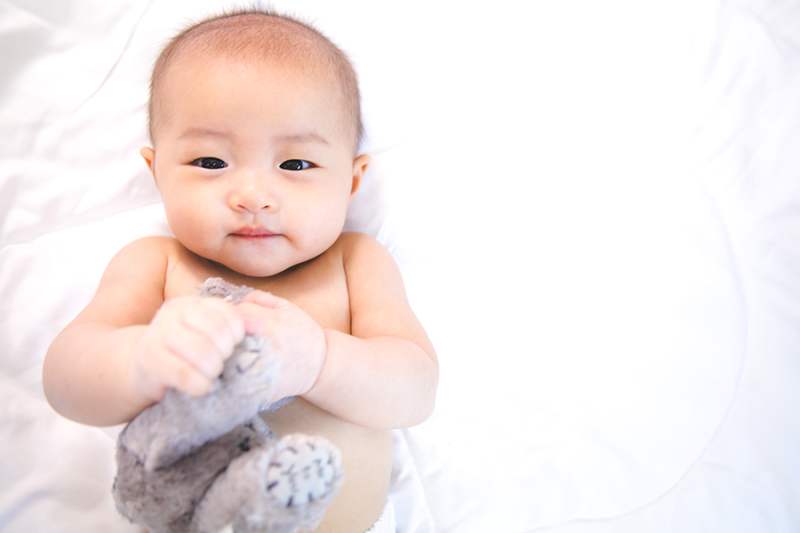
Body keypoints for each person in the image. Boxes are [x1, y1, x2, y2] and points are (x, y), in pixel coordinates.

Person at [42, 7, 438, 533]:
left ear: (351, 180)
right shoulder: (156, 263)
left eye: (296, 165)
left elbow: (415, 389)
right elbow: (65, 378)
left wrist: (320, 360)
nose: (252, 197)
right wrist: (141, 360)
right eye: (210, 162)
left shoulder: (356, 263)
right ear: (156, 171)